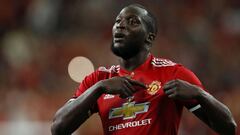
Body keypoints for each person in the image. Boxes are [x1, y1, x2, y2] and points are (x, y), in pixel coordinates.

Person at [51, 4, 237, 135]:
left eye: (132, 21)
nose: (120, 25)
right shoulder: (99, 79)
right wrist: (99, 88)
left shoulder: (173, 73)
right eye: (118, 21)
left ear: (149, 38)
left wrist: (199, 94)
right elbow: (58, 128)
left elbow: (228, 128)